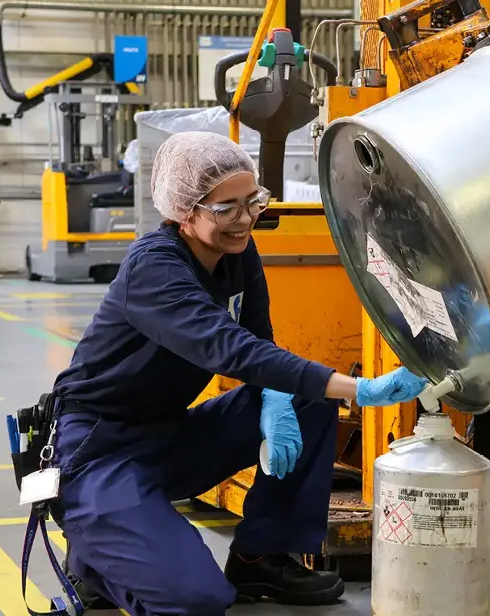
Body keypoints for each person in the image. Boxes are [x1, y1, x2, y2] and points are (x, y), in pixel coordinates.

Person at [48, 131, 430, 616]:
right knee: (198, 601)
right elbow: (227, 347)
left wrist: (278, 398)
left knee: (304, 398)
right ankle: (93, 569)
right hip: (97, 451)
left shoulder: (238, 252)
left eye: (253, 201)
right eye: (226, 208)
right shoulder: (154, 269)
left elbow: (259, 341)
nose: (246, 218)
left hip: (166, 437)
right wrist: (358, 388)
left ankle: (261, 556)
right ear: (184, 211)